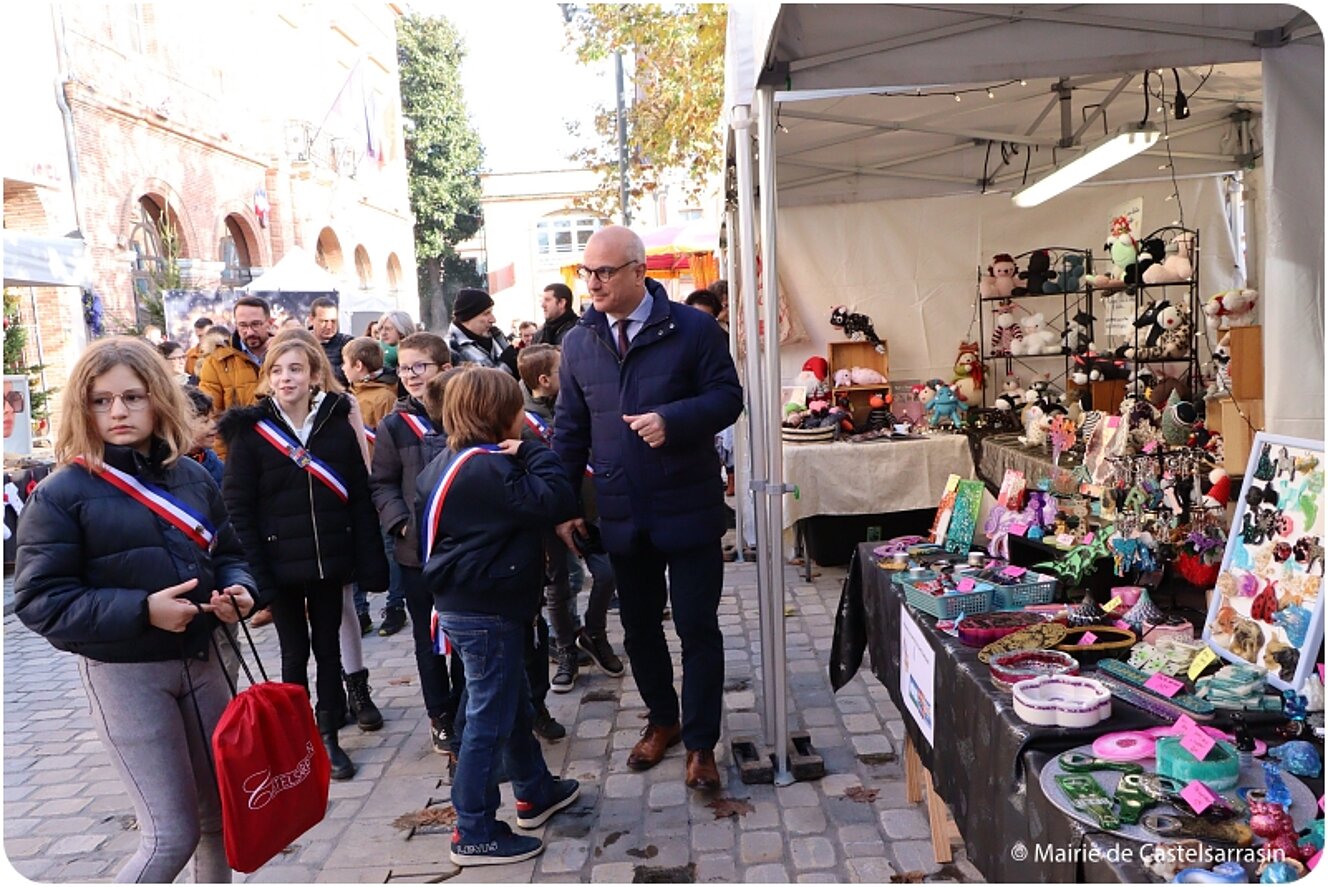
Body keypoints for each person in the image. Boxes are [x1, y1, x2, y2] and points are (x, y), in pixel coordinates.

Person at [13, 336, 256, 883]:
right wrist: (142, 610)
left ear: (159, 400)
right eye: (101, 400)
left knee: (219, 818)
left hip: (205, 661)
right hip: (126, 675)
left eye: (133, 396)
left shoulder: (192, 476)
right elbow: (39, 601)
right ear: (83, 406)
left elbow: (234, 553)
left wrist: (239, 592)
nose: (118, 412)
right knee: (171, 834)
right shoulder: (59, 494)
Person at [553, 226, 742, 791]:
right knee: (639, 628)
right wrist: (565, 506)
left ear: (639, 271)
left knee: (697, 627)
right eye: (586, 273)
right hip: (621, 512)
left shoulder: (693, 328)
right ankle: (664, 720)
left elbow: (728, 398)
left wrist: (673, 420)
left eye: (604, 272)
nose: (593, 284)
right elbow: (569, 430)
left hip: (687, 506)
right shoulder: (580, 340)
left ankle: (702, 743)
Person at [417, 367, 580, 866]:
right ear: (501, 415)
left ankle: (534, 790)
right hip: (488, 609)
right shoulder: (487, 468)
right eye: (519, 411)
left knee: (509, 707)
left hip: (471, 604)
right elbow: (556, 498)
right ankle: (474, 829)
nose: (525, 419)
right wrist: (531, 450)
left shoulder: (451, 460)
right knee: (487, 719)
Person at [219, 331, 388, 780]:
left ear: (315, 374)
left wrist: (369, 560)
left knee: (329, 649)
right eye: (276, 370)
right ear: (266, 378)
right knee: (294, 655)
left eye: (295, 369)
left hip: (329, 559)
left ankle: (329, 730)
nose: (285, 377)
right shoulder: (251, 432)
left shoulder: (334, 420)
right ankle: (298, 737)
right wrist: (259, 575)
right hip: (280, 565)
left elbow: (357, 493)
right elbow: (238, 507)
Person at [369, 333, 466, 751]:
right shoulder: (394, 425)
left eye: (418, 367)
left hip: (462, 547)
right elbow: (383, 484)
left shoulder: (464, 414)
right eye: (403, 368)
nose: (409, 375)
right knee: (428, 640)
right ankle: (439, 712)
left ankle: (465, 708)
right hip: (415, 553)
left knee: (463, 633)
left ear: (444, 369)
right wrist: (401, 524)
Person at [518, 344, 623, 694]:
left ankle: (594, 633)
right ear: (545, 380)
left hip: (591, 507)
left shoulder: (580, 404)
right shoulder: (522, 420)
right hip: (549, 516)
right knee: (557, 586)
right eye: (564, 369)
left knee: (607, 573)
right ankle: (566, 650)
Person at [196, 295, 273, 461]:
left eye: (256, 324)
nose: (249, 331)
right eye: (243, 325)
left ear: (269, 322)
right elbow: (211, 418)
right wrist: (225, 462)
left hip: (281, 451)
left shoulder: (286, 356)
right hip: (239, 456)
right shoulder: (216, 362)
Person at [446, 289, 518, 377]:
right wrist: (506, 366)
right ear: (468, 317)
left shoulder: (496, 335)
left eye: (491, 312)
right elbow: (470, 387)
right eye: (486, 313)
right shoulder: (451, 349)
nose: (493, 320)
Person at [342, 337, 398, 429]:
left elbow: (390, 436)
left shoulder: (385, 398)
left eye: (345, 362)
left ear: (358, 366)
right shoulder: (354, 390)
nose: (343, 368)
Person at [182, 386, 225, 486]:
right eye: (205, 421)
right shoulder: (166, 468)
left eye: (211, 418)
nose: (214, 425)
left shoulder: (213, 463)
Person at [309, 296, 353, 387]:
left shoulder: (347, 343)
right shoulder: (302, 342)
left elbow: (349, 372)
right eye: (323, 321)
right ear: (311, 319)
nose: (329, 326)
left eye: (333, 321)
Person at [533, 283, 579, 347]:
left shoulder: (578, 333)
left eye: (547, 300)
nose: (542, 305)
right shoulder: (540, 334)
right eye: (542, 300)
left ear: (562, 303)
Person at [376, 310, 416, 374]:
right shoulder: (377, 346)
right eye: (380, 329)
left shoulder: (418, 350)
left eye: (388, 329)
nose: (383, 333)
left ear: (402, 330)